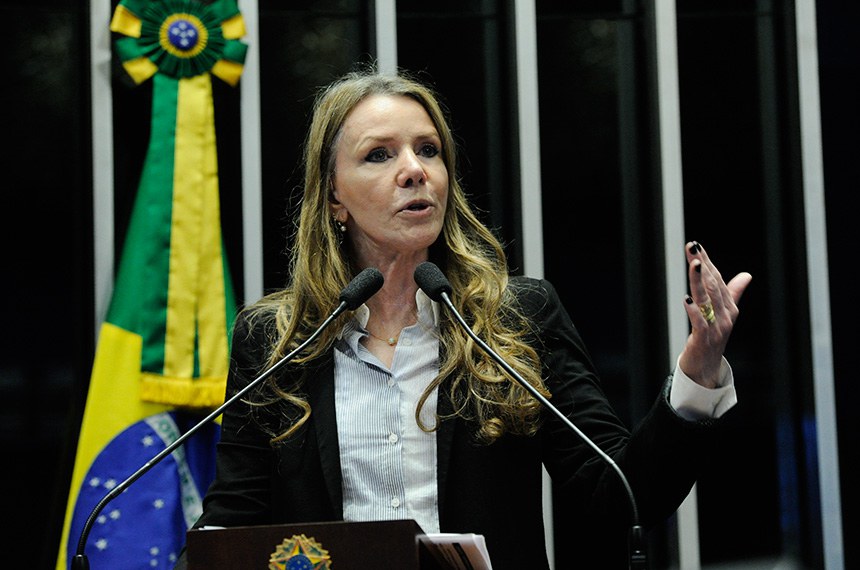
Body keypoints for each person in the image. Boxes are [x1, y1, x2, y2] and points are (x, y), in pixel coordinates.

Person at [174, 67, 752, 569]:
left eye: (428, 150)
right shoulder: (275, 341)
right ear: (333, 198)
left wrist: (699, 372)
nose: (414, 170)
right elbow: (234, 524)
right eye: (379, 154)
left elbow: (618, 493)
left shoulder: (514, 318)